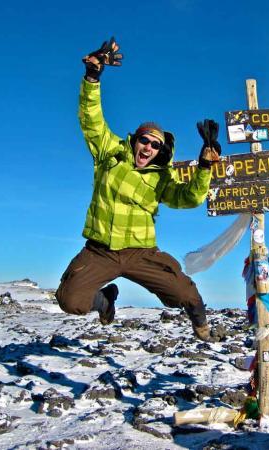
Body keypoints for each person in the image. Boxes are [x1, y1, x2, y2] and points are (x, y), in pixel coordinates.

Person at [55, 37, 221, 341]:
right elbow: (91, 121)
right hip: (100, 250)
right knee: (70, 300)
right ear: (135, 141)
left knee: (182, 293)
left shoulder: (161, 178)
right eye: (145, 140)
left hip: (141, 253)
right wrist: (92, 77)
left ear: (161, 151)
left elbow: (190, 198)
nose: (148, 147)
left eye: (155, 145)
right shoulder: (110, 154)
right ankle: (105, 300)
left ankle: (203, 326)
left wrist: (205, 168)